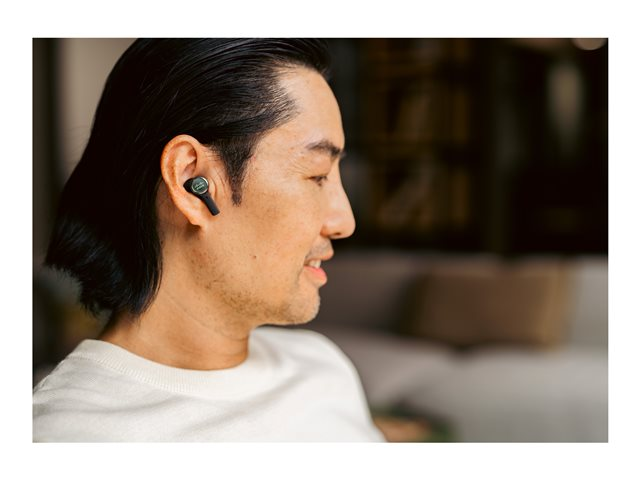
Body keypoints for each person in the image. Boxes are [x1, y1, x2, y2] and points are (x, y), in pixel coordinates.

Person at [33, 38, 385, 442]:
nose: (345, 223)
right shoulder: (69, 439)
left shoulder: (323, 365)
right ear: (192, 182)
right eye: (317, 175)